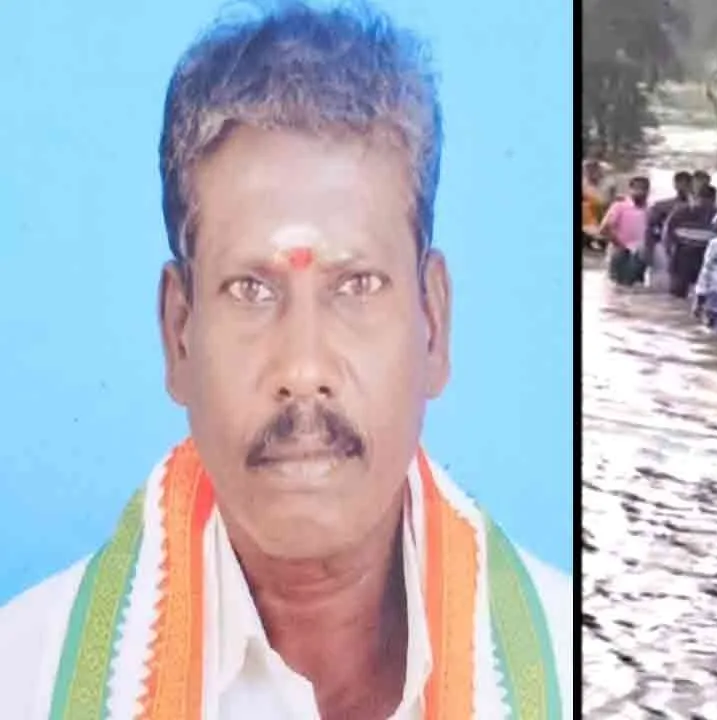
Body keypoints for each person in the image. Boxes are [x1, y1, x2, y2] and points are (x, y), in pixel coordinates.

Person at [0, 7, 571, 718]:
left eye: (356, 285)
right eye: (251, 288)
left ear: (433, 323)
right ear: (179, 335)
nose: (303, 366)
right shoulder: (23, 678)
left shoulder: (567, 664)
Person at [664, 183, 717, 298]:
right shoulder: (681, 213)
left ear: (714, 200)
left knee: (703, 294)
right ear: (696, 198)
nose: (703, 204)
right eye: (701, 199)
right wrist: (670, 253)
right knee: (677, 294)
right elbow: (667, 235)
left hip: (705, 258)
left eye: (708, 200)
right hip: (682, 256)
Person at [645, 171, 693, 291]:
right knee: (661, 283)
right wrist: (649, 250)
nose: (683, 187)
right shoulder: (662, 205)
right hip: (663, 247)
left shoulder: (698, 208)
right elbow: (650, 229)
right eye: (680, 183)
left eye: (686, 184)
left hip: (687, 251)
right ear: (675, 185)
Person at [600, 175, 651, 286]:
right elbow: (604, 229)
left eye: (644, 189)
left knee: (637, 286)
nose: (641, 192)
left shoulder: (650, 209)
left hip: (639, 254)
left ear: (648, 191)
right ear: (630, 190)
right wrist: (620, 245)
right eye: (637, 188)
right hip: (619, 251)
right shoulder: (619, 206)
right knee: (616, 286)